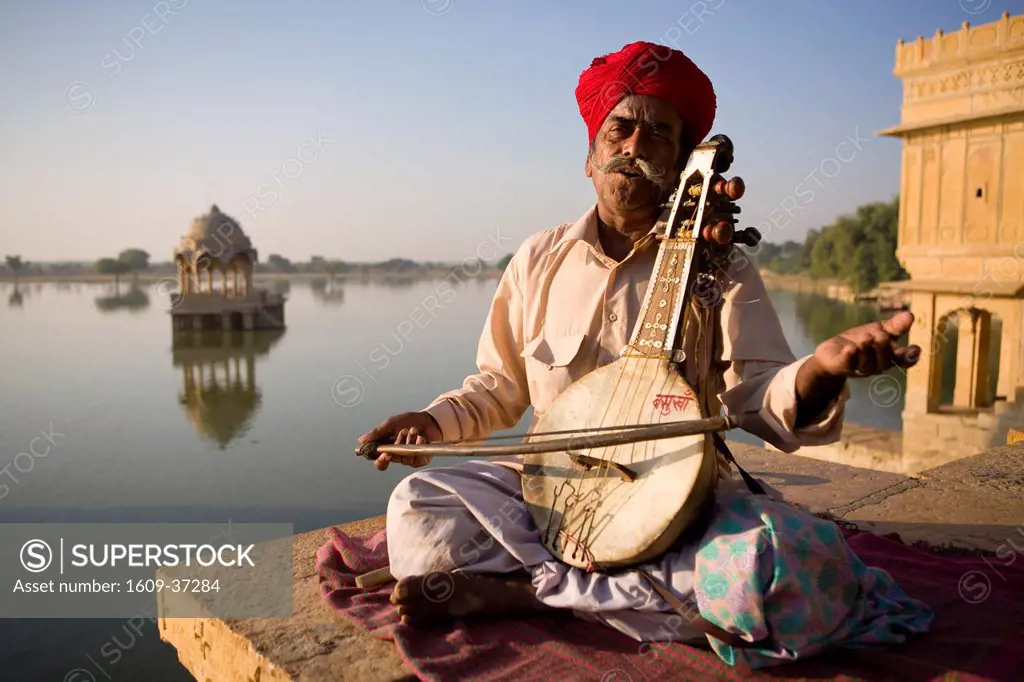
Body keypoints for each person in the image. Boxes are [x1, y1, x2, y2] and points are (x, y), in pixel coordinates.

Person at [358, 41, 932, 666]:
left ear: (685, 165)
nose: (634, 146)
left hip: (678, 500)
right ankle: (615, 597)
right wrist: (431, 422)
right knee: (416, 507)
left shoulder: (722, 263)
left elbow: (757, 399)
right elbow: (499, 386)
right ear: (590, 156)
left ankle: (529, 593)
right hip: (549, 493)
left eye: (658, 135)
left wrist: (821, 370)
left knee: (781, 563)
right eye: (620, 130)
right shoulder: (538, 259)